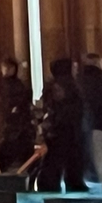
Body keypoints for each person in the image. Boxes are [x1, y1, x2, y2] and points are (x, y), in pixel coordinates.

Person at [36, 57, 87, 193]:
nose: (76, 70)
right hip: (64, 128)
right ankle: (56, 184)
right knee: (60, 158)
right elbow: (62, 108)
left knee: (63, 158)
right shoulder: (62, 86)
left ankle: (56, 184)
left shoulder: (61, 85)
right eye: (73, 67)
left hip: (64, 128)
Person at [77, 51, 102, 186]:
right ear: (98, 63)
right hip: (100, 125)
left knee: (89, 161)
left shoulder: (79, 80)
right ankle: (98, 189)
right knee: (99, 162)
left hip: (85, 126)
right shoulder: (99, 79)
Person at [0, 58, 37, 171]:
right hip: (15, 123)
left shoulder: (15, 85)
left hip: (17, 124)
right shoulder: (7, 84)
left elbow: (19, 102)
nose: (3, 70)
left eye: (6, 67)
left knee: (12, 148)